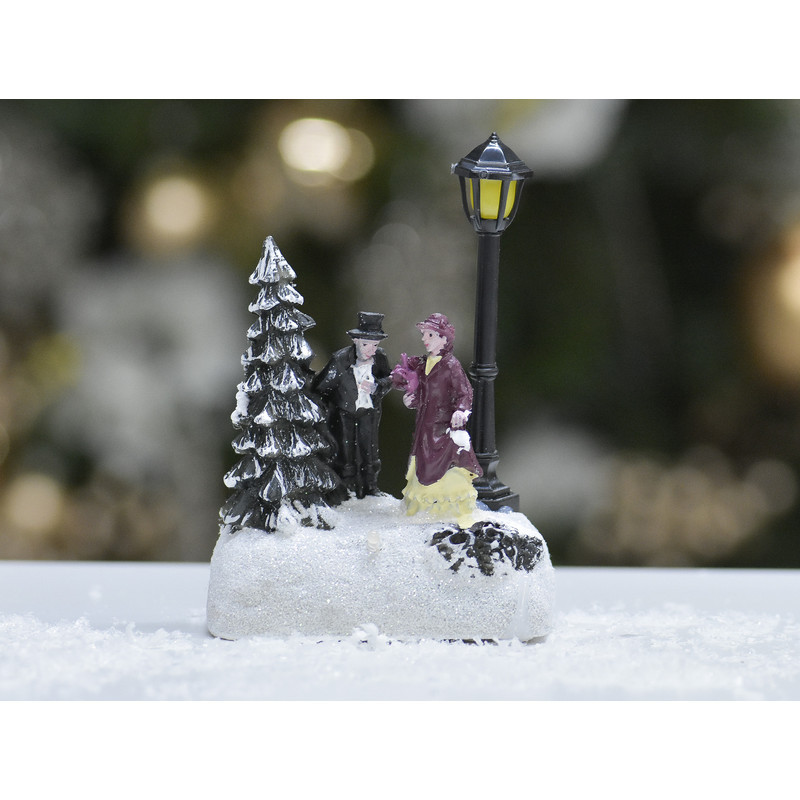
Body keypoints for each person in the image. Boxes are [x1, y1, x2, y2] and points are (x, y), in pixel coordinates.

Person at [391, 313, 482, 521]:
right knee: (422, 461)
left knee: (443, 462)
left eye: (430, 334)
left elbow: (464, 392)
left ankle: (447, 507)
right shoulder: (422, 364)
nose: (424, 339)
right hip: (424, 425)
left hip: (442, 426)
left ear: (444, 338)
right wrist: (410, 398)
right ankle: (422, 507)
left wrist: (460, 410)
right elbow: (415, 388)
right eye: (424, 334)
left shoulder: (451, 365)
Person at [312, 312, 392, 498]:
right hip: (344, 413)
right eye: (366, 344)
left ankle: (370, 486)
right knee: (345, 452)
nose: (370, 350)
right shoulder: (340, 360)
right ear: (356, 341)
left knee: (369, 450)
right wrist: (325, 409)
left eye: (375, 345)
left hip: (369, 411)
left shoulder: (379, 358)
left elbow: (390, 378)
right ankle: (346, 488)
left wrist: (378, 386)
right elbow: (321, 386)